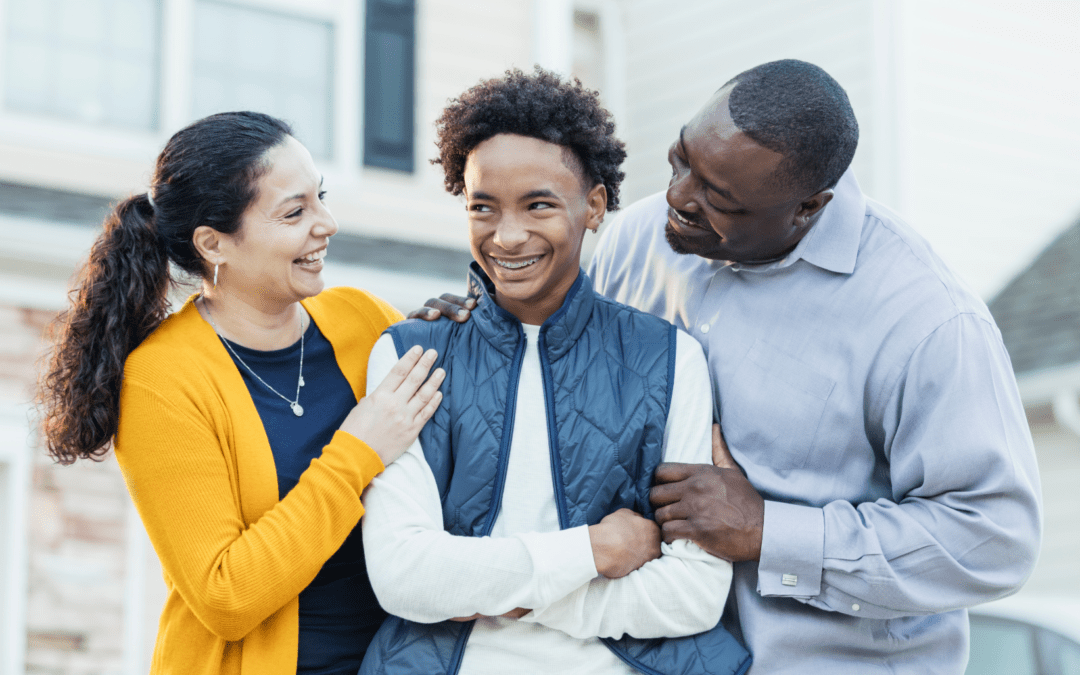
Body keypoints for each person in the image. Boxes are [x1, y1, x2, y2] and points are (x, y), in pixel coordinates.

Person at [417, 60, 1043, 674]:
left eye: (720, 199)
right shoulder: (638, 241)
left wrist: (771, 530)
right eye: (681, 159)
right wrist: (481, 329)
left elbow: (993, 538)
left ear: (807, 207)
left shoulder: (925, 321)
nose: (679, 198)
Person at [358, 68, 750, 675]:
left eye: (538, 205)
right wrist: (594, 551)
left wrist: (499, 594)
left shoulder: (669, 359)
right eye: (482, 207)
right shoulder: (412, 356)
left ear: (593, 206)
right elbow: (403, 579)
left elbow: (694, 597)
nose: (507, 236)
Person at [37, 111, 445, 675]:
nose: (325, 223)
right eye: (294, 212)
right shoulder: (163, 380)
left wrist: (459, 345)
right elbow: (226, 595)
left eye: (319, 198)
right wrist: (357, 452)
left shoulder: (362, 318)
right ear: (215, 243)